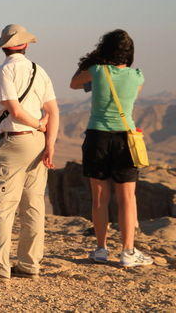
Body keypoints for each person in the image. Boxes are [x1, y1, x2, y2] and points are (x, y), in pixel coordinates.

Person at [0, 24, 59, 282]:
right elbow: (54, 111)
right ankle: (30, 264)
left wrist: (37, 124)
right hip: (38, 144)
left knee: (2, 206)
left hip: (15, 141)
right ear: (26, 45)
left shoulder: (5, 70)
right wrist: (49, 144)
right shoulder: (39, 71)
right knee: (33, 206)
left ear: (4, 48)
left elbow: (15, 110)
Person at [70, 29, 152, 267]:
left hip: (97, 138)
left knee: (99, 199)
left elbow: (74, 84)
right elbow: (132, 96)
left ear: (105, 50)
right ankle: (128, 252)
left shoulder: (96, 71)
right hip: (126, 139)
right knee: (127, 198)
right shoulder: (138, 76)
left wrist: (93, 59)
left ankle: (101, 249)